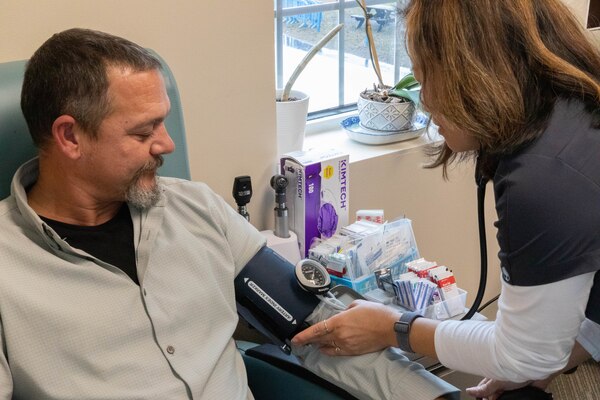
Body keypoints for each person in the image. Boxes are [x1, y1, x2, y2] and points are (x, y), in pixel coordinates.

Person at [0, 28, 460, 399]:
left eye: (163, 121)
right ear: (69, 137)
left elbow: (317, 326)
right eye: (144, 131)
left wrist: (437, 397)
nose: (168, 144)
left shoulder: (195, 209)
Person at [292, 0, 600, 398]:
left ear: (471, 73)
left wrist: (392, 327)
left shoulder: (546, 178)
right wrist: (545, 351)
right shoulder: (571, 115)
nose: (426, 101)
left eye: (427, 77)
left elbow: (525, 355)